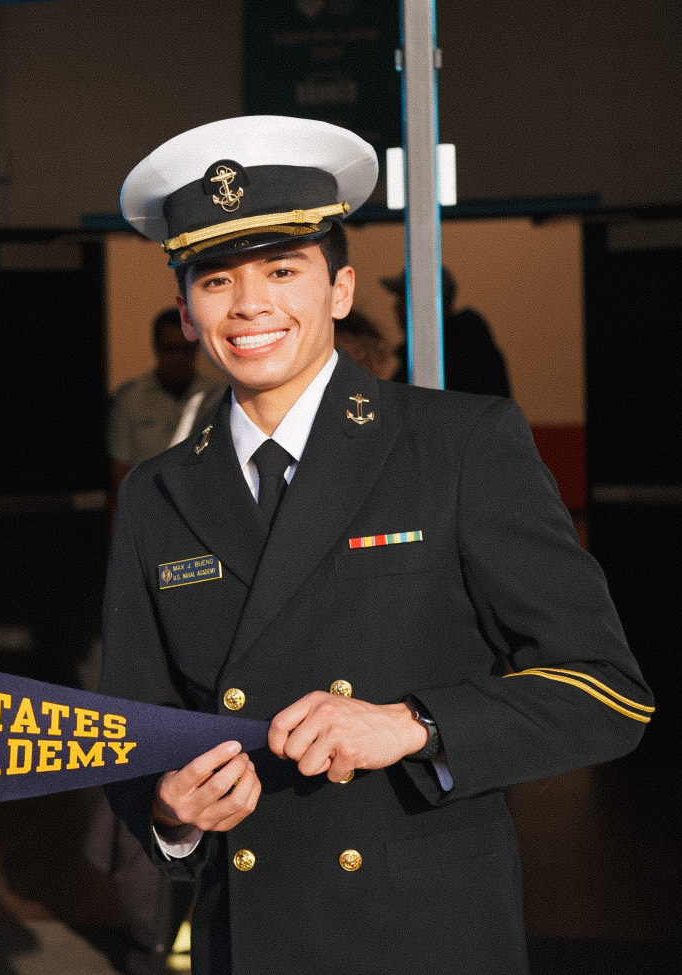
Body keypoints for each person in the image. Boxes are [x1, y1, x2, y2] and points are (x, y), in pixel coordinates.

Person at [100, 116, 652, 975]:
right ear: (185, 308)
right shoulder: (156, 493)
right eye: (216, 280)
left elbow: (608, 693)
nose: (250, 305)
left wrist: (416, 723)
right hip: (246, 936)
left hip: (424, 932)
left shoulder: (459, 445)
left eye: (283, 270)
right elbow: (132, 734)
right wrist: (170, 818)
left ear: (341, 288)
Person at [109, 307, 218, 493]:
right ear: (156, 347)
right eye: (170, 349)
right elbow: (119, 470)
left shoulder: (217, 396)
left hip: (202, 504)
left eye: (186, 349)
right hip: (144, 503)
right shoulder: (129, 398)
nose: (178, 358)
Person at [383, 265, 513, 397]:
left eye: (404, 298)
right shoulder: (469, 346)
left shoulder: (457, 356)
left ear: (429, 302)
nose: (396, 306)